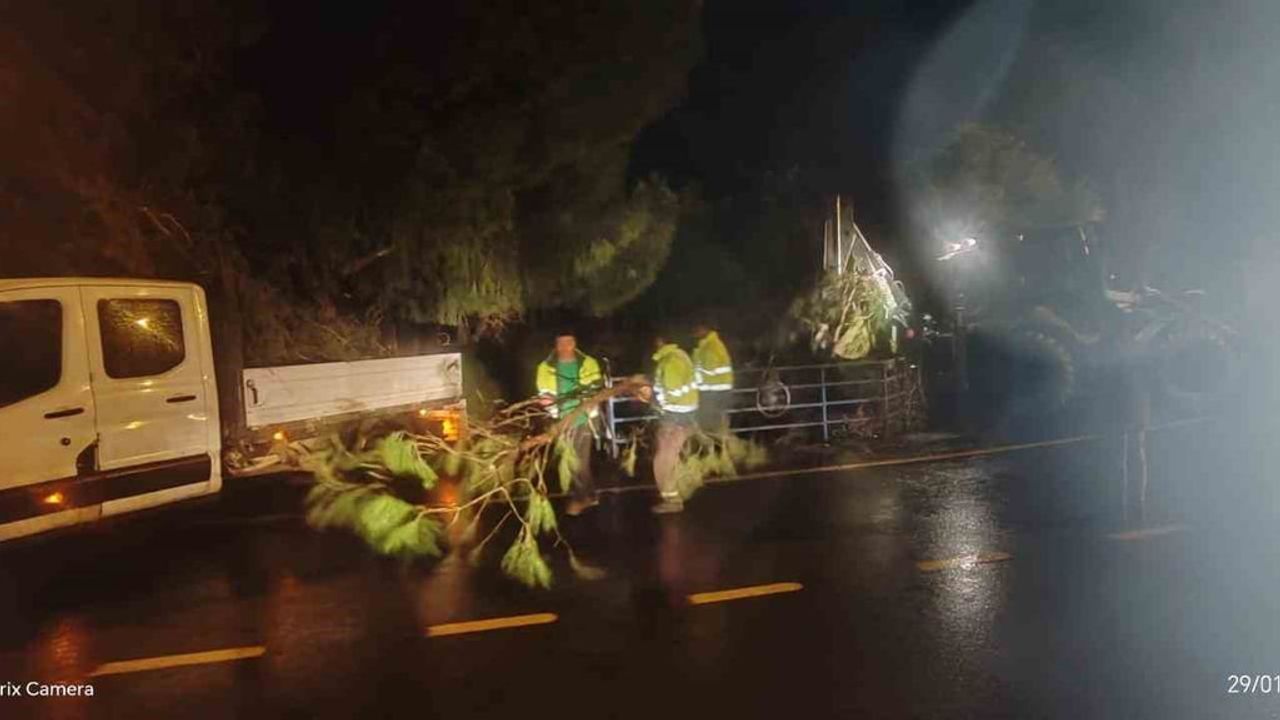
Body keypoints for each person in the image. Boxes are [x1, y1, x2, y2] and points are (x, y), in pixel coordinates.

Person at [535, 330, 603, 515]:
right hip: (562, 422)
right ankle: (590, 495)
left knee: (577, 462)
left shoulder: (588, 363)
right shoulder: (545, 367)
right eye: (561, 343)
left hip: (585, 421)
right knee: (575, 462)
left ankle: (581, 498)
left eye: (569, 342)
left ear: (575, 343)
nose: (565, 347)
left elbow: (597, 390)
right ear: (555, 345)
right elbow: (544, 397)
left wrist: (589, 407)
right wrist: (557, 417)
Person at [646, 333, 699, 514]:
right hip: (684, 415)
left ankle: (672, 499)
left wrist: (654, 400)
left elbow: (673, 393)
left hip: (674, 416)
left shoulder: (669, 362)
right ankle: (676, 493)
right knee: (671, 457)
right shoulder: (681, 356)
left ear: (661, 341)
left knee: (663, 461)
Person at [691, 322, 734, 434]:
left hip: (713, 390)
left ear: (705, 329)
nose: (695, 332)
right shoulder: (710, 345)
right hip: (716, 389)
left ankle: (715, 443)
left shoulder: (711, 346)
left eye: (698, 329)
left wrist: (694, 379)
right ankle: (719, 443)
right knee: (714, 421)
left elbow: (708, 369)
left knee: (709, 422)